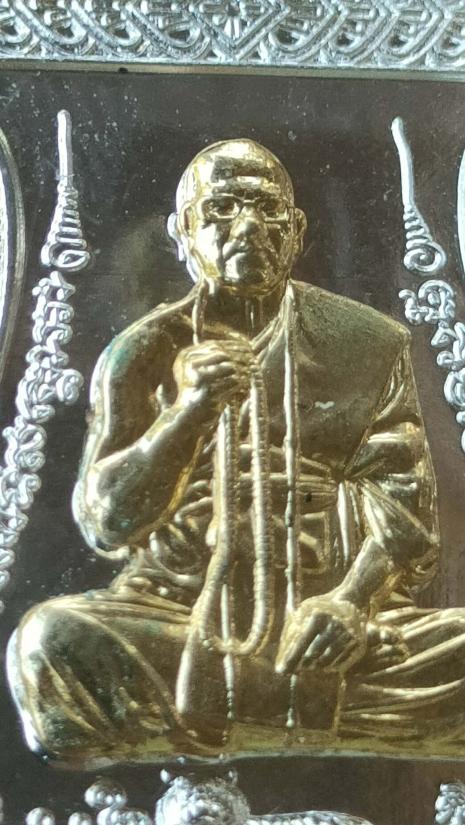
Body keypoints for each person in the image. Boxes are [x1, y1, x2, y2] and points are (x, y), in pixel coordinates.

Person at [7, 139, 465, 769]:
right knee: (49, 643)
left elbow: (406, 513)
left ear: (295, 230)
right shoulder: (143, 350)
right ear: (182, 232)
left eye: (266, 208)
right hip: (175, 611)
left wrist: (352, 603)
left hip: (327, 623)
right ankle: (301, 725)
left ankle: (223, 723)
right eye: (221, 208)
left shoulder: (369, 343)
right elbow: (107, 523)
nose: (248, 226)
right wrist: (188, 414)